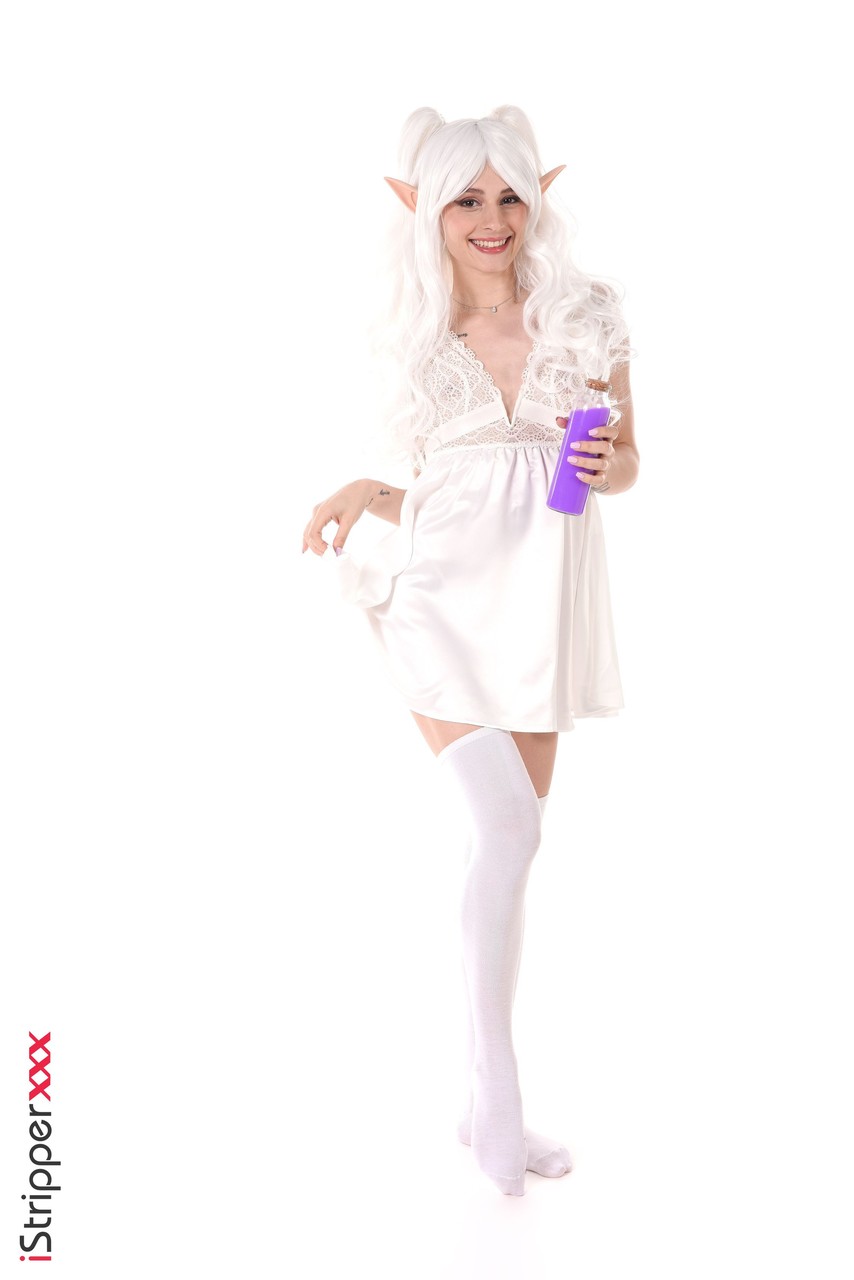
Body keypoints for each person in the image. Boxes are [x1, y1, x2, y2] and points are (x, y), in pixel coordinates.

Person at [302, 105, 639, 1196]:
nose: (491, 219)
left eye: (507, 196)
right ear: (425, 211)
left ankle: (478, 1093)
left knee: (511, 845)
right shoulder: (416, 338)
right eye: (464, 200)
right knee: (507, 826)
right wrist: (367, 488)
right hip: (436, 600)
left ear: (534, 199)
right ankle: (496, 1090)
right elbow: (448, 492)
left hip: (541, 610)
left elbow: (626, 459)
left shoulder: (586, 316)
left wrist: (605, 469)